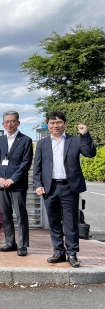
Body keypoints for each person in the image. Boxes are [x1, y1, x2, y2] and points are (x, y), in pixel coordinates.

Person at [34, 111, 96, 267]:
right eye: (52, 123)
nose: (56, 125)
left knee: (71, 222)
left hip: (70, 187)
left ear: (65, 124)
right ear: (48, 125)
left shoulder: (74, 140)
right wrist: (38, 184)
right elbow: (37, 167)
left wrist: (85, 135)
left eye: (59, 122)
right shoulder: (42, 144)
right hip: (50, 188)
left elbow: (90, 153)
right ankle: (58, 251)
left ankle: (72, 253)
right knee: (53, 222)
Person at [0, 111, 33, 256]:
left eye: (12, 121)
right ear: (3, 124)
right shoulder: (0, 141)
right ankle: (10, 242)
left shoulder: (26, 140)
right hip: (2, 184)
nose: (9, 124)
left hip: (17, 184)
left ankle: (23, 245)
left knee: (21, 215)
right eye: (7, 122)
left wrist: (12, 179)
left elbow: (26, 163)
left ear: (18, 123)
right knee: (5, 214)